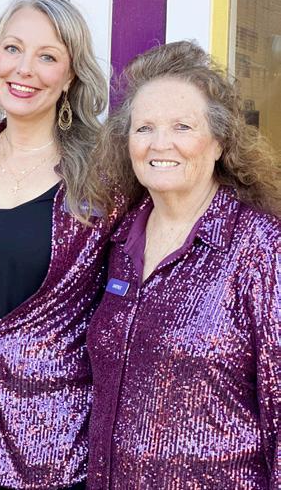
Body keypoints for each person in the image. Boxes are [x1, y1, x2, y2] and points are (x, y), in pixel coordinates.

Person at [86, 40, 281, 488]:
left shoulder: (260, 246)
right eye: (144, 128)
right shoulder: (117, 241)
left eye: (182, 127)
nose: (160, 144)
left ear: (219, 142)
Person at [0, 0, 116, 489]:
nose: (24, 69)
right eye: (13, 48)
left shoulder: (103, 178)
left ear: (70, 75)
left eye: (47, 56)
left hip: (61, 453)